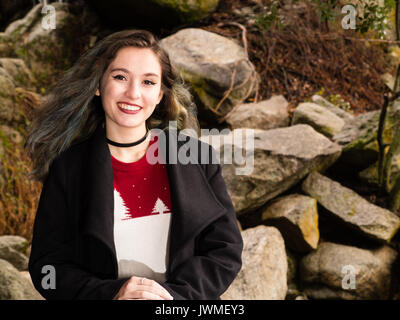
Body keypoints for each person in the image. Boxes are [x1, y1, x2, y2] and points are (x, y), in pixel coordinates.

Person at [25, 29, 243, 300]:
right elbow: (46, 268)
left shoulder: (196, 157)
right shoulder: (69, 167)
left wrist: (172, 298)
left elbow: (225, 250)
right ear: (97, 84)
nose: (133, 93)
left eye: (148, 82)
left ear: (161, 93)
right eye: (120, 77)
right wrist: (111, 294)